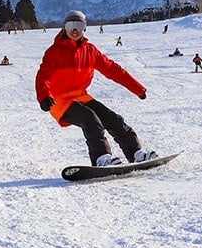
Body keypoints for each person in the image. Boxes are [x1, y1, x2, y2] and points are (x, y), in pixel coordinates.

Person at [35, 9, 157, 168]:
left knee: (113, 119)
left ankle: (135, 153)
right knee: (90, 119)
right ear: (64, 27)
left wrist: (138, 89)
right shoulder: (54, 52)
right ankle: (101, 158)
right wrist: (44, 96)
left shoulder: (90, 51)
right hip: (58, 101)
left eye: (79, 26)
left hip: (81, 96)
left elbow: (113, 70)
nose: (74, 30)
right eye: (71, 25)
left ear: (84, 28)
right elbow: (42, 76)